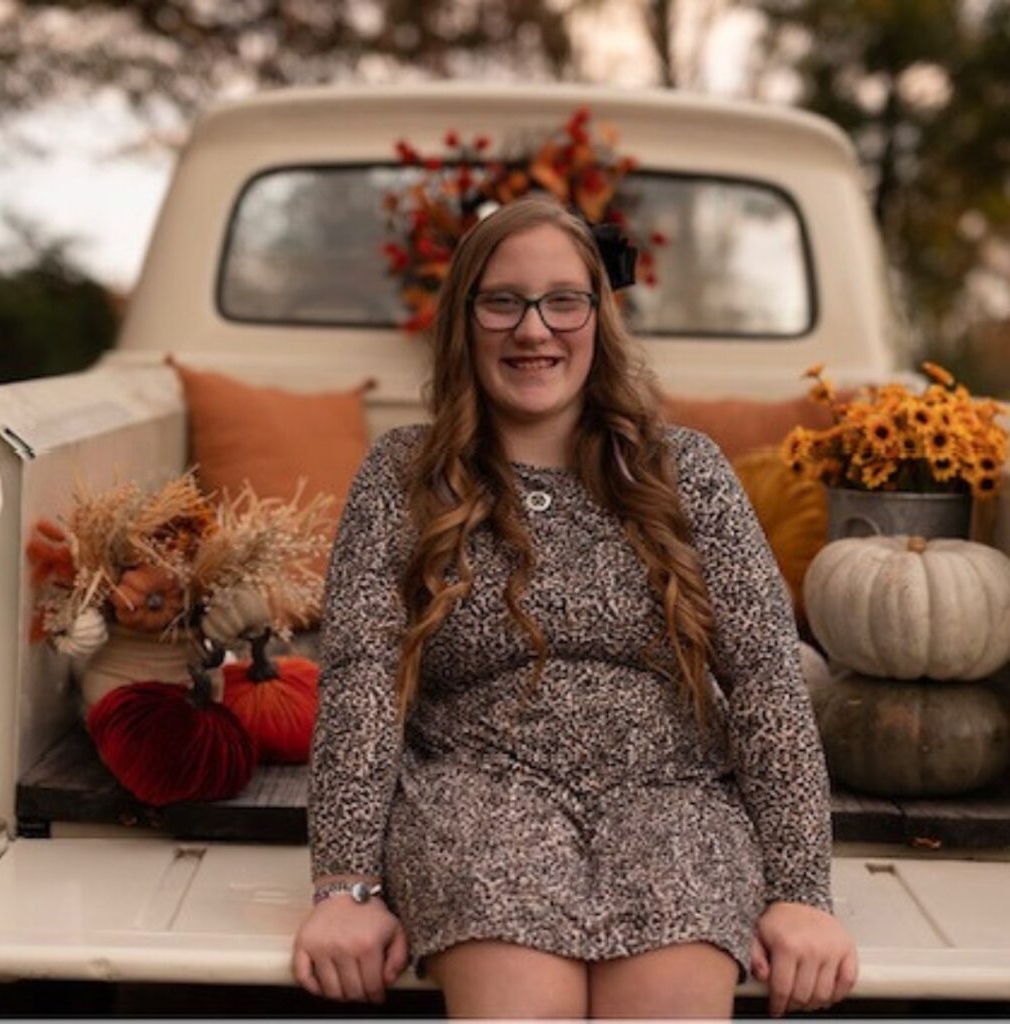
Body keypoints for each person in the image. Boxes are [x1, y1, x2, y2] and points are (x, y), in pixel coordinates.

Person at [292, 194, 858, 1019]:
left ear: (598, 316)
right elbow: (361, 680)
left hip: (673, 794)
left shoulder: (685, 470)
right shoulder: (405, 476)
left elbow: (769, 677)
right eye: (503, 301)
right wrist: (343, 883)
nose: (534, 329)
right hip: (478, 791)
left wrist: (803, 889)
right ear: (464, 321)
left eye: (564, 300)